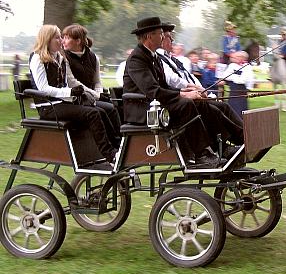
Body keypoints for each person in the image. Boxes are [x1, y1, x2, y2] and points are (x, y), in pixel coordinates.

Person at [123, 17, 241, 168]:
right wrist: (183, 95)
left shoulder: (153, 57)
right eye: (160, 33)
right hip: (143, 109)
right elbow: (152, 90)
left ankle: (222, 147)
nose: (164, 36)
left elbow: (163, 86)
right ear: (148, 37)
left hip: (156, 103)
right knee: (186, 105)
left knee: (200, 103)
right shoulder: (137, 59)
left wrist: (185, 90)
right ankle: (201, 154)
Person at [29, 25, 117, 164]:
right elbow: (43, 88)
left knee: (101, 110)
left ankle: (118, 146)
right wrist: (69, 92)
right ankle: (110, 154)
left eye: (62, 37)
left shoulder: (59, 57)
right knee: (93, 114)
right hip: (49, 106)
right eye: (58, 37)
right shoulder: (38, 58)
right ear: (47, 40)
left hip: (63, 102)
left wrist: (87, 92)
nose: (61, 41)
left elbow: (70, 81)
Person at [62, 23, 121, 148]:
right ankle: (116, 145)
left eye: (67, 38)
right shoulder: (64, 58)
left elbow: (97, 81)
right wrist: (97, 95)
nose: (63, 41)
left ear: (78, 41)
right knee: (108, 109)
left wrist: (98, 93)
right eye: (63, 37)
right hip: (76, 99)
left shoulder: (93, 57)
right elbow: (73, 82)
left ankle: (120, 142)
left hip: (91, 97)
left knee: (114, 106)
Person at [222, 51, 255, 116]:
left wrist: (232, 77)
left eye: (236, 57)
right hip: (233, 91)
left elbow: (242, 81)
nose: (233, 58)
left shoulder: (247, 67)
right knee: (231, 108)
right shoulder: (232, 65)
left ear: (242, 58)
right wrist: (236, 77)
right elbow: (225, 76)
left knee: (240, 109)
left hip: (241, 91)